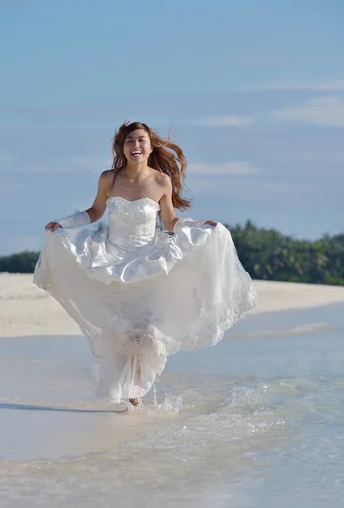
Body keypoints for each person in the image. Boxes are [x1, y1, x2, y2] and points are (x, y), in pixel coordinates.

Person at [34, 121, 257, 407]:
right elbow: (94, 212)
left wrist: (202, 224)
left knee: (149, 332)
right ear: (122, 147)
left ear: (150, 147)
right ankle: (128, 392)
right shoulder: (109, 179)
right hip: (111, 259)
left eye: (141, 140)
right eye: (129, 141)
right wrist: (63, 224)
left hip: (148, 262)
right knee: (120, 331)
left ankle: (136, 389)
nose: (135, 146)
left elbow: (171, 222)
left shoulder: (161, 181)